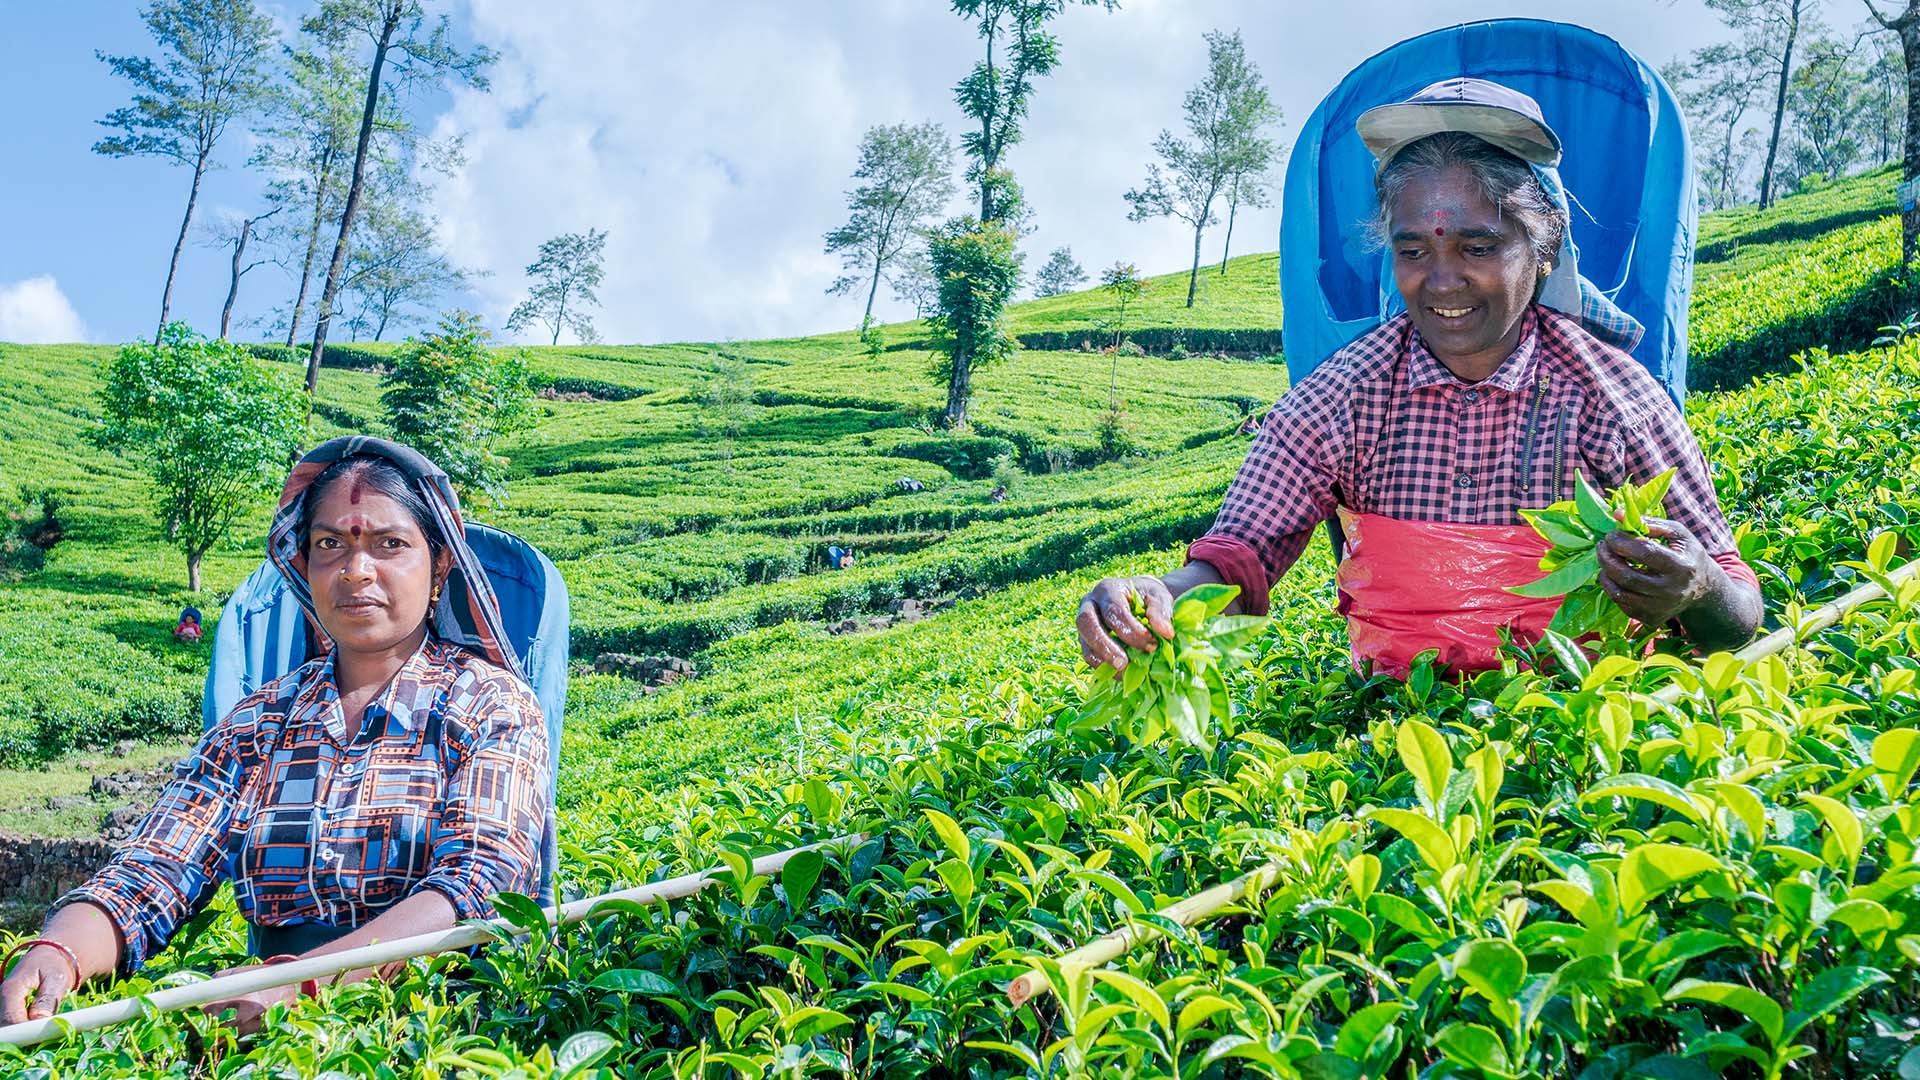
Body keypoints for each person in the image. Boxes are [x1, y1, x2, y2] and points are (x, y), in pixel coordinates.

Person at [1077, 79, 1762, 680]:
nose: (1442, 281)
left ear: (1544, 248)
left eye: (1478, 247)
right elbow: (1237, 558)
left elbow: (1738, 609)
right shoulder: (1341, 399)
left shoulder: (1614, 400)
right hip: (1395, 722)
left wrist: (1700, 587)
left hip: (1579, 724)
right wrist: (1156, 594)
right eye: (1413, 250)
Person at [1, 438, 549, 1031]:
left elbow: (480, 883)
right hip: (262, 1026)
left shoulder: (489, 705)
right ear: (304, 563)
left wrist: (305, 982)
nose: (356, 570)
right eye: (330, 545)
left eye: (390, 544)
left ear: (439, 566)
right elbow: (156, 868)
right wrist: (59, 951)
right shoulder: (260, 722)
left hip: (438, 1026)